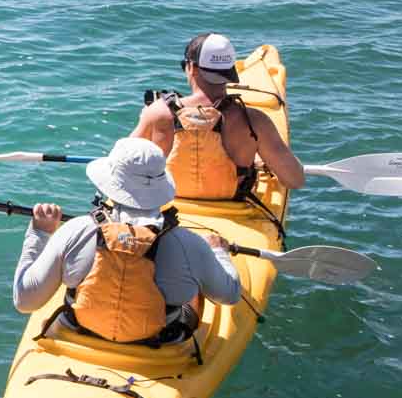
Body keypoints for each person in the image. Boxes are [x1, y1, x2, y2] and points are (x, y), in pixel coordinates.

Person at [13, 138, 240, 344]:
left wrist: (40, 233)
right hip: (159, 342)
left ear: (109, 184)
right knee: (192, 289)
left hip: (79, 331)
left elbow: (25, 302)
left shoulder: (76, 229)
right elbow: (229, 295)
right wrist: (218, 251)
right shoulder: (189, 244)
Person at [128, 33, 304, 199]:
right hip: (231, 206)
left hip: (170, 203)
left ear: (192, 68)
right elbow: (295, 180)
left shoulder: (159, 112)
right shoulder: (254, 121)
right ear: (230, 72)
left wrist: (147, 118)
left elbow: (122, 165)